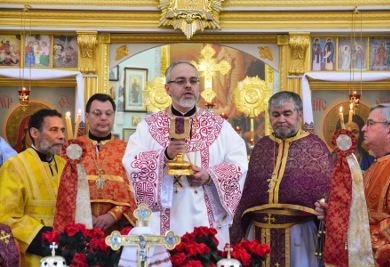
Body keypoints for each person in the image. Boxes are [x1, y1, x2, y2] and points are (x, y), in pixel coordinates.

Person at [122, 60, 248, 249]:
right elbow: (132, 163)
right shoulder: (148, 127)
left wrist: (209, 176)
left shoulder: (220, 127)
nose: (188, 85)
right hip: (162, 220)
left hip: (207, 220)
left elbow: (239, 165)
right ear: (167, 89)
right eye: (180, 81)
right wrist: (164, 155)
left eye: (193, 81)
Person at [230, 91, 334, 267]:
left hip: (298, 234)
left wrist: (326, 208)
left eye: (287, 114)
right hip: (258, 233)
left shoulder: (316, 147)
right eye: (275, 115)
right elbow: (248, 195)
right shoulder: (261, 147)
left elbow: (328, 193)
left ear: (299, 115)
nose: (281, 120)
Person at [316, 102, 390, 266]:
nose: (363, 129)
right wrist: (336, 218)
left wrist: (357, 238)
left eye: (370, 124)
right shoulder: (373, 168)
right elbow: (362, 215)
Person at [0, 109, 66, 266]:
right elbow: (6, 217)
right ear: (35, 133)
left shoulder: (65, 165)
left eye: (62, 130)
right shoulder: (15, 165)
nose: (61, 136)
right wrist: (44, 236)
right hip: (33, 255)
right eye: (54, 130)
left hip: (65, 252)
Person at [71, 93, 136, 235]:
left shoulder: (127, 149)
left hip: (117, 228)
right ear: (87, 117)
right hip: (80, 227)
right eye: (97, 113)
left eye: (108, 113)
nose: (103, 118)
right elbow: (66, 190)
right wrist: (86, 216)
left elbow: (134, 190)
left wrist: (113, 215)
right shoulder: (73, 149)